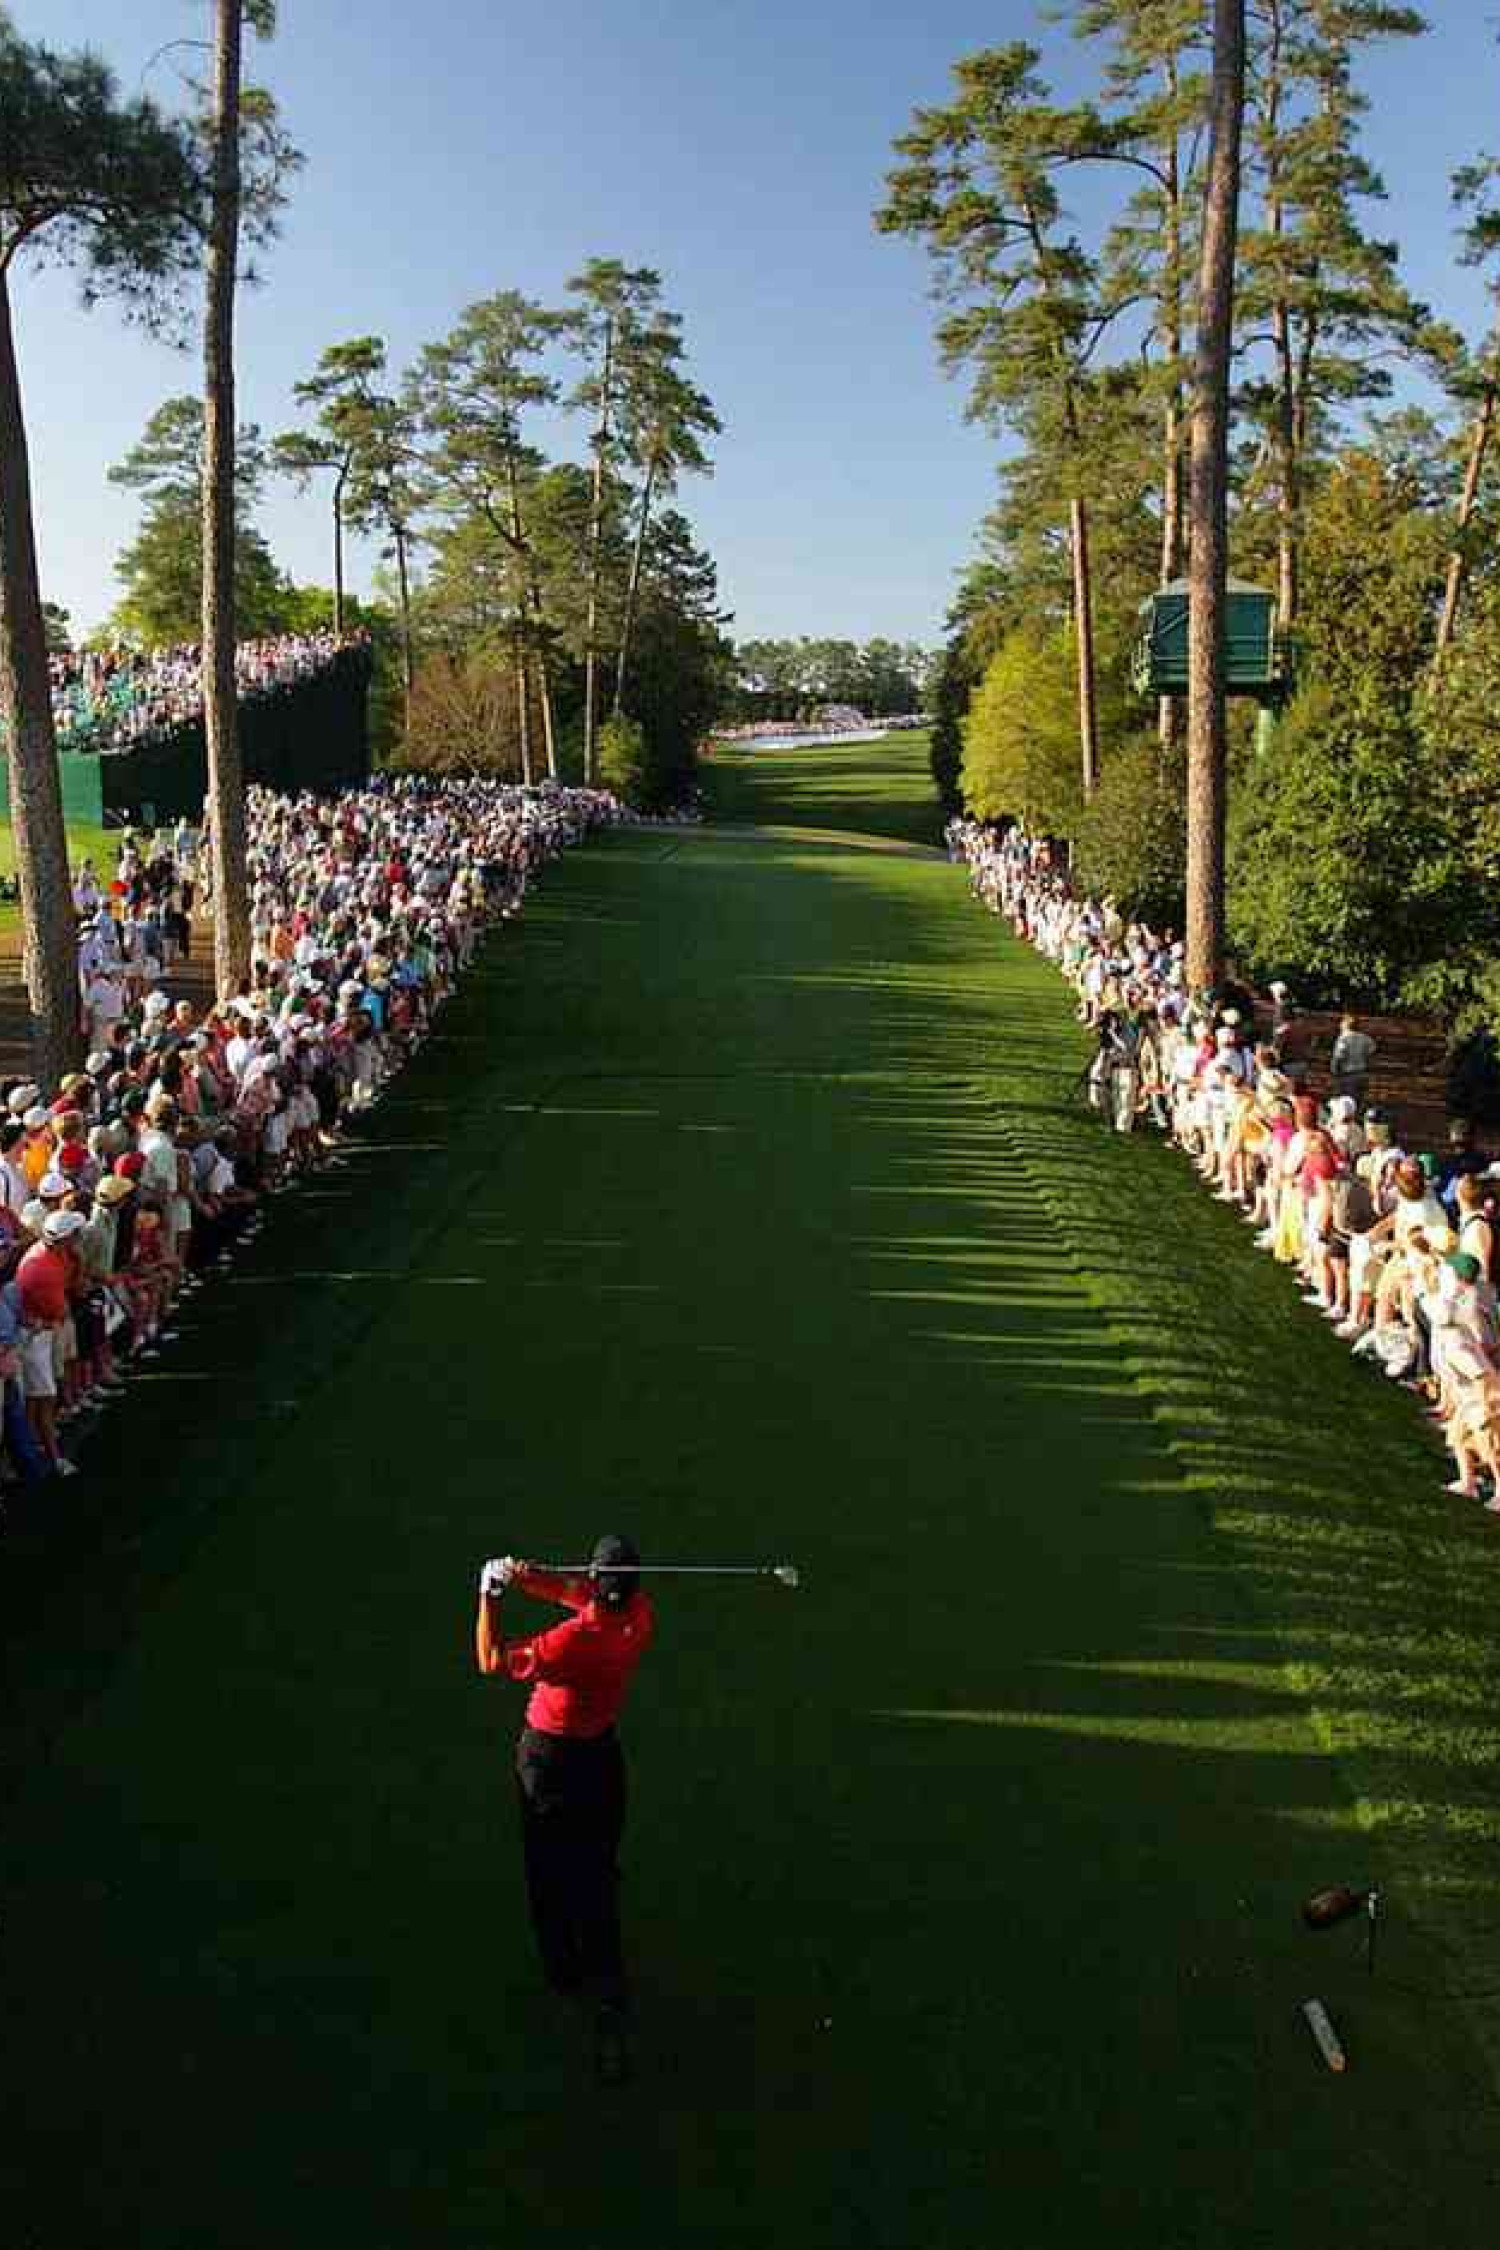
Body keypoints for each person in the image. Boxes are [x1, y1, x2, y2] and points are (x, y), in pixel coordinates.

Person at [474, 1534, 655, 2083]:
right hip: (602, 1756)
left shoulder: (570, 1643)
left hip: (550, 1762)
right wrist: (530, 1579)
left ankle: (565, 1971)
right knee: (598, 1875)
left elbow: (489, 1660)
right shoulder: (640, 1616)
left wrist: (491, 1595)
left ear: (599, 1586)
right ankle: (609, 1993)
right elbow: (582, 1595)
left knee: (547, 1872)